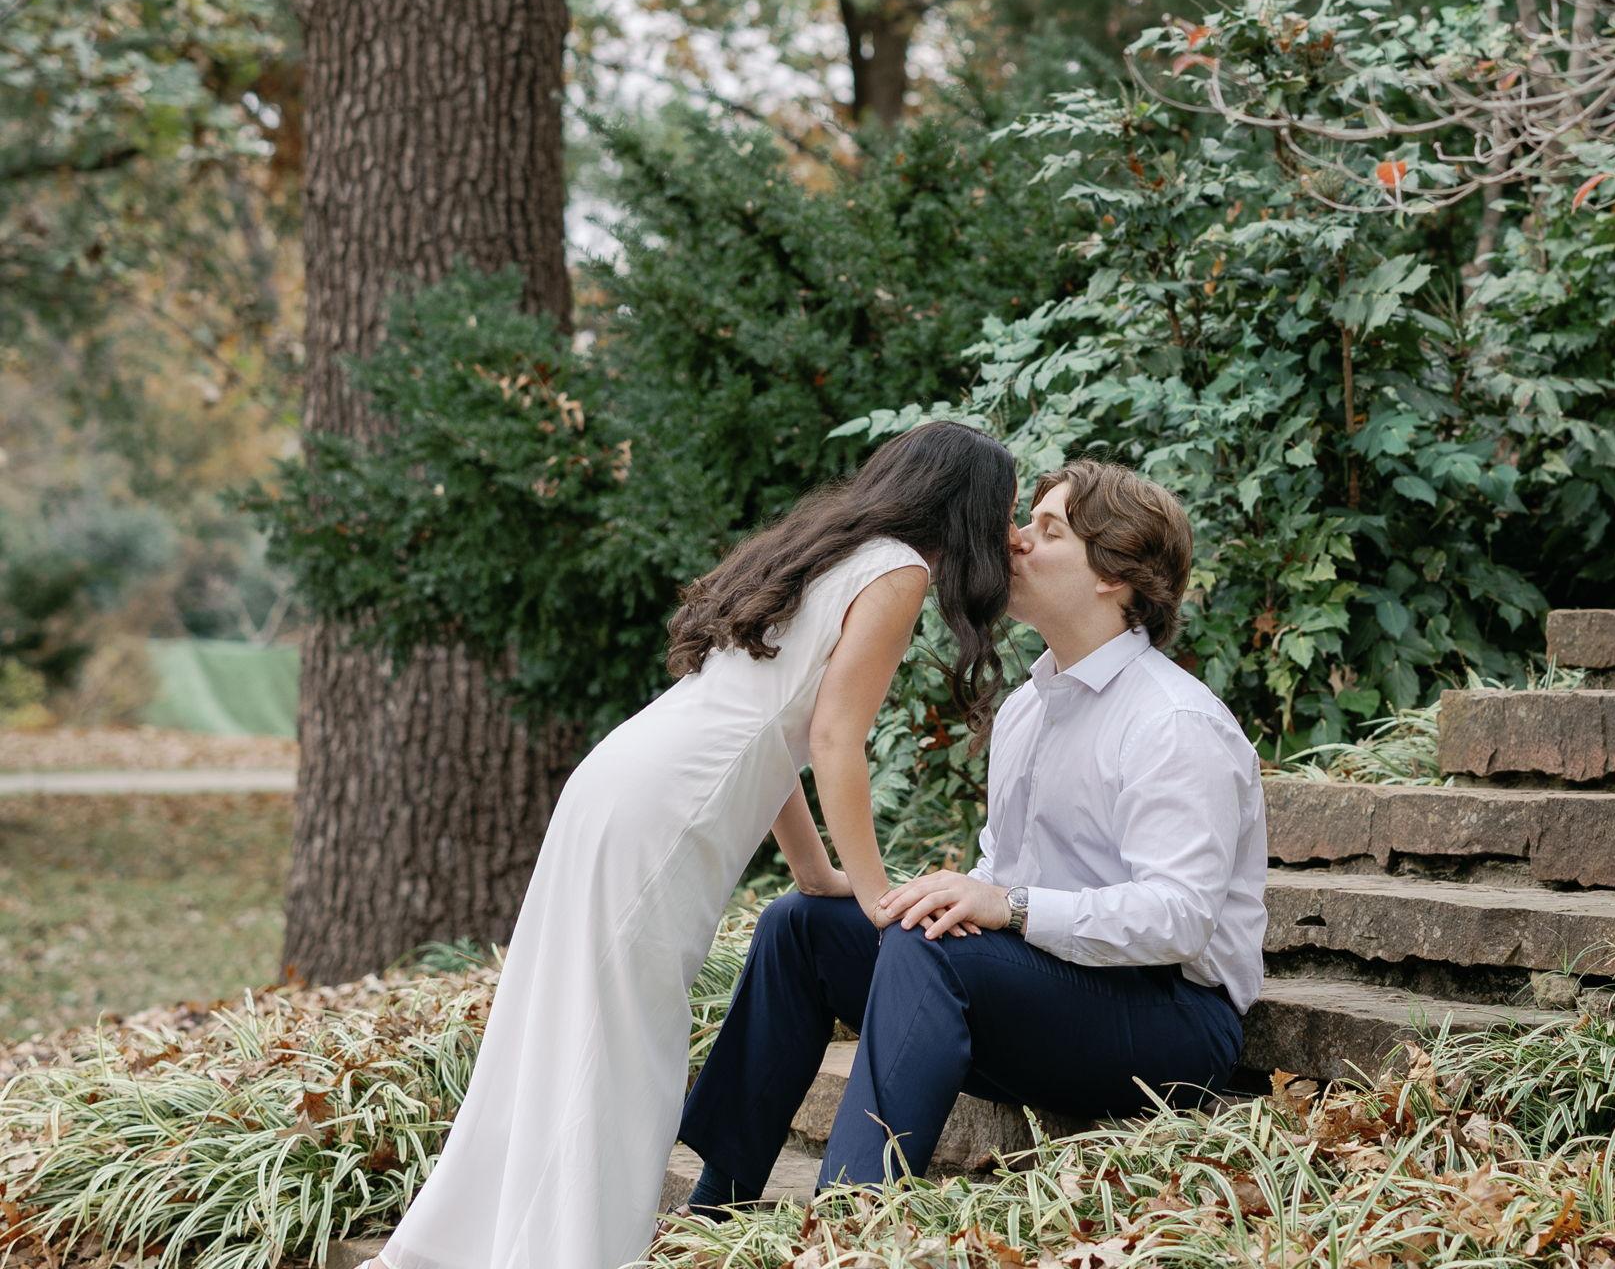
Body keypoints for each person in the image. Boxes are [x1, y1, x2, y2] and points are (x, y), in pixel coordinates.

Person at [372, 419, 1016, 1269]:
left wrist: (815, 872)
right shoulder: (898, 570)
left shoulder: (827, 550)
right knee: (625, 1049)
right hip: (664, 812)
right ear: (966, 506)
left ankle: (469, 1249)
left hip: (623, 781)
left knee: (561, 1029)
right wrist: (872, 894)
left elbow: (772, 732)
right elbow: (831, 739)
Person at [681, 458, 1267, 1208]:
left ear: (1113, 576)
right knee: (801, 926)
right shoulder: (1028, 708)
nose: (1015, 541)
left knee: (930, 955)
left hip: (1170, 1026)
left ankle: (847, 1224)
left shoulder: (1173, 722)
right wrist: (965, 901)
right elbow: (1002, 877)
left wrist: (1009, 906)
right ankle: (716, 1203)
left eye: (1048, 529)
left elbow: (1180, 920)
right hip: (1046, 993)